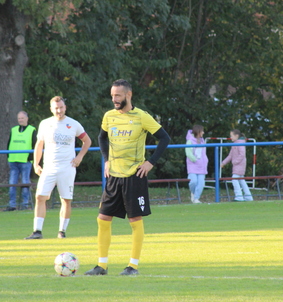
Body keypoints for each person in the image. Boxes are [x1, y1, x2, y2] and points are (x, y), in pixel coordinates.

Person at [84, 79, 171, 276]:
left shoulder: (142, 117)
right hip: (113, 176)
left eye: (118, 95)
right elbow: (101, 137)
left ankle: (133, 266)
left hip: (134, 176)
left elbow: (165, 138)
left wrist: (150, 162)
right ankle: (102, 266)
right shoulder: (109, 116)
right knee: (103, 219)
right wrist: (106, 160)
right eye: (112, 95)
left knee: (134, 220)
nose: (114, 99)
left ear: (128, 95)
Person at [25, 96, 91, 240]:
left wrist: (79, 157)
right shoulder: (45, 124)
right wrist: (36, 164)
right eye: (56, 108)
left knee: (66, 199)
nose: (59, 111)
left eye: (61, 108)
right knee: (40, 197)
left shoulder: (73, 124)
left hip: (67, 167)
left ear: (65, 107)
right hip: (48, 167)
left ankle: (62, 232)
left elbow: (87, 141)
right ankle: (37, 231)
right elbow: (39, 144)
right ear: (51, 109)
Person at [5, 111, 37, 211]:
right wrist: (8, 156)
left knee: (25, 183)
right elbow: (9, 143)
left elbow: (35, 145)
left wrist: (30, 158)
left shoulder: (32, 130)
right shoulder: (13, 130)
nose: (20, 120)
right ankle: (12, 205)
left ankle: (24, 205)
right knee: (12, 184)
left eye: (22, 118)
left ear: (27, 118)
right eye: (19, 118)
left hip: (25, 161)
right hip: (13, 160)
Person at [221, 129, 253, 202]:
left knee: (234, 179)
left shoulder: (240, 143)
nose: (230, 137)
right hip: (237, 165)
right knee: (241, 180)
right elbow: (230, 155)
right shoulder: (235, 144)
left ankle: (239, 196)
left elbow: (242, 154)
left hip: (239, 165)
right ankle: (248, 197)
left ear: (236, 136)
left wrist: (235, 162)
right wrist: (223, 163)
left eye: (231, 136)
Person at [185, 125, 208, 204]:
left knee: (201, 182)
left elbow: (203, 153)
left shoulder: (202, 140)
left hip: (202, 165)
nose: (203, 133)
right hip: (193, 165)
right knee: (193, 181)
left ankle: (196, 198)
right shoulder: (190, 141)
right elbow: (188, 153)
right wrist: (195, 160)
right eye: (202, 131)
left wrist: (204, 161)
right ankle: (193, 193)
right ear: (198, 132)